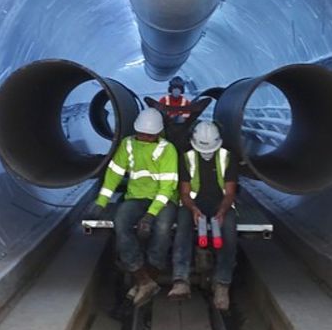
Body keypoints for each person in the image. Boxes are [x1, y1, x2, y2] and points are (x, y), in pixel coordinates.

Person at [91, 107, 179, 306]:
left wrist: (150, 215)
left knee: (163, 229)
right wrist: (101, 202)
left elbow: (167, 188)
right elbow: (114, 174)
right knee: (121, 222)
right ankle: (144, 280)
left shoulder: (168, 150)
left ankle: (149, 276)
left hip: (163, 200)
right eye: (141, 134)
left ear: (158, 133)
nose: (144, 138)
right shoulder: (127, 145)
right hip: (136, 197)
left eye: (149, 135)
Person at [169, 121, 239, 310]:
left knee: (229, 233)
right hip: (194, 204)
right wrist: (193, 209)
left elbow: (230, 192)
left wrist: (222, 211)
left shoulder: (227, 157)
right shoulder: (187, 157)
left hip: (220, 203)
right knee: (182, 228)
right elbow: (184, 192)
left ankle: (222, 283)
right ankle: (181, 279)